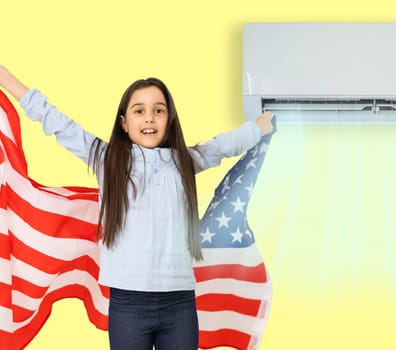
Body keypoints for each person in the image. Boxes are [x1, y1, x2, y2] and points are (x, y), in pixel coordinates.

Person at [0, 65, 273, 350]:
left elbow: (221, 147)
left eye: (159, 110)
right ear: (124, 122)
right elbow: (56, 121)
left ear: (169, 119)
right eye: (139, 111)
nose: (149, 118)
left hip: (178, 302)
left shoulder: (184, 162)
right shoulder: (107, 159)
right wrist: (5, 79)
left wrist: (257, 128)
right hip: (127, 304)